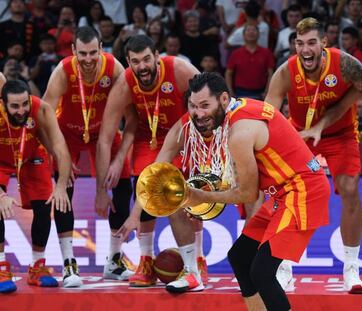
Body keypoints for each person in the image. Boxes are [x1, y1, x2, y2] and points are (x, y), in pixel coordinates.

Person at [126, 71, 330, 310]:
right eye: (192, 106)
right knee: (240, 258)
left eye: (204, 105)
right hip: (282, 191)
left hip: (303, 190)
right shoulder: (237, 110)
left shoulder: (239, 133)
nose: (198, 114)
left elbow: (247, 194)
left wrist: (200, 196)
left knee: (262, 272)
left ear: (223, 99)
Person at [265, 17, 362, 293]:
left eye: (312, 43)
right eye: (300, 43)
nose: (306, 49)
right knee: (285, 193)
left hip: (341, 135)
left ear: (324, 44)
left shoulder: (345, 64)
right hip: (300, 134)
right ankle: (283, 269)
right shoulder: (286, 71)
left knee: (349, 189)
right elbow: (267, 114)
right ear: (295, 45)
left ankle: (351, 269)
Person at [95, 34, 206, 292]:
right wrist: (101, 189)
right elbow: (104, 138)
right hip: (150, 138)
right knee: (144, 187)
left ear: (157, 56)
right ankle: (145, 260)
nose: (142, 66)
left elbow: (209, 100)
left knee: (188, 201)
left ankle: (197, 260)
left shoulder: (179, 70)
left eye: (147, 59)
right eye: (136, 61)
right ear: (128, 62)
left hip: (185, 134)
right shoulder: (125, 83)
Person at [42, 26, 134, 281]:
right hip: (67, 134)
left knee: (124, 185)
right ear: (73, 51)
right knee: (64, 191)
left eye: (93, 52)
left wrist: (118, 160)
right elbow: (44, 116)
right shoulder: (63, 72)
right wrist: (56, 152)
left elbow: (131, 117)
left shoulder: (114, 68)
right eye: (82, 53)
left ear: (101, 48)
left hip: (104, 132)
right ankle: (69, 264)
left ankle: (114, 261)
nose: (88, 59)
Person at [0, 79, 73, 292]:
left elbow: (60, 148)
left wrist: (60, 185)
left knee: (44, 207)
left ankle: (37, 266)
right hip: (0, 161)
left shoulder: (42, 109)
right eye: (14, 106)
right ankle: (1, 266)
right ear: (3, 104)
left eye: (24, 104)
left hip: (32, 156)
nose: (21, 110)